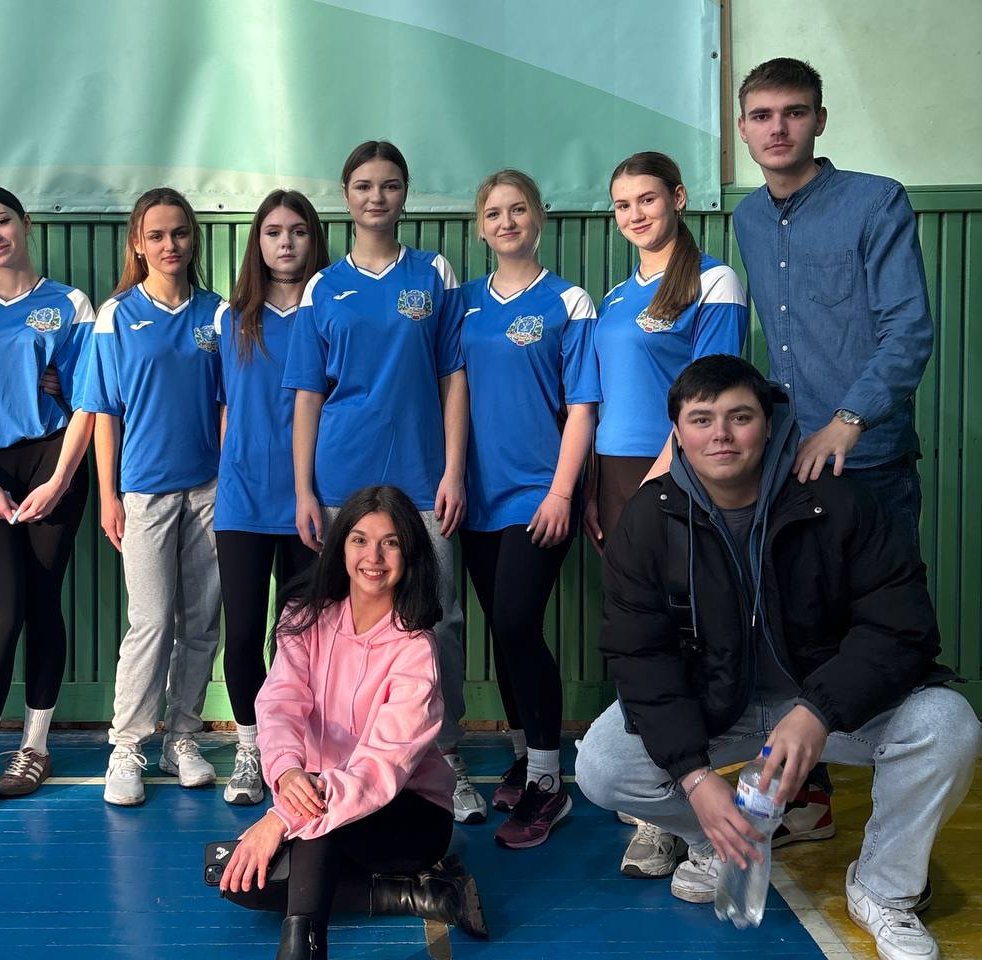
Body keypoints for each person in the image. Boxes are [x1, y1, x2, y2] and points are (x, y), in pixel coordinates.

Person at [575, 355, 978, 960]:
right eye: (702, 419)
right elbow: (641, 657)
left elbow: (902, 626)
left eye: (740, 417)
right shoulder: (647, 519)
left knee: (947, 725)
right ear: (677, 432)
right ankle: (720, 843)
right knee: (603, 764)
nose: (721, 434)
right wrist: (695, 779)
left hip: (825, 708)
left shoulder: (838, 502)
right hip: (719, 707)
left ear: (769, 424)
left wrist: (818, 710)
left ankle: (883, 888)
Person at [282, 140, 485, 823]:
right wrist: (305, 490)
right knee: (338, 623)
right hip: (343, 480)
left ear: (405, 194)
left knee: (439, 619)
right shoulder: (323, 286)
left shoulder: (434, 272)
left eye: (390, 185)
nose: (377, 196)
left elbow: (453, 377)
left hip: (423, 481)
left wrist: (453, 470)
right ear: (347, 196)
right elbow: (308, 394)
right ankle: (348, 760)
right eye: (365, 185)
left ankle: (444, 755)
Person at [219, 485, 488, 957]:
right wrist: (287, 772)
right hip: (319, 792)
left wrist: (282, 817)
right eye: (360, 540)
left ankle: (301, 949)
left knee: (316, 830)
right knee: (239, 879)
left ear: (409, 554)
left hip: (408, 813)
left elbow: (377, 769)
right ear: (341, 546)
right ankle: (418, 895)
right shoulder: (305, 618)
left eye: (391, 543)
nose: (374, 557)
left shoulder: (415, 648)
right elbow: (280, 705)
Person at [582, 151, 752, 878]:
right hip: (614, 478)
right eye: (623, 204)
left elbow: (711, 400)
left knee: (689, 641)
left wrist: (661, 482)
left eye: (647, 199)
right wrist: (593, 485)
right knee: (641, 638)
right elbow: (600, 400)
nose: (635, 214)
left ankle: (684, 811)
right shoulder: (617, 297)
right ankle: (656, 800)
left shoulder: (714, 281)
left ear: (679, 198)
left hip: (676, 478)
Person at [733, 57, 934, 549]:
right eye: (761, 116)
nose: (777, 128)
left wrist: (849, 420)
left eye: (795, 112)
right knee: (798, 598)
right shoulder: (748, 217)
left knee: (887, 598)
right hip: (786, 458)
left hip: (869, 458)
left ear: (820, 120)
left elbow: (908, 331)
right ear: (743, 129)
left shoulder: (876, 202)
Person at [457, 170, 599, 848]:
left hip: (538, 493)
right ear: (480, 227)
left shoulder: (569, 301)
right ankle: (523, 753)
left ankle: (548, 779)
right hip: (475, 497)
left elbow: (583, 407)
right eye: (494, 213)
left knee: (517, 622)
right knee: (500, 628)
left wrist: (563, 493)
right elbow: (450, 392)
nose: (506, 221)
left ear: (539, 217)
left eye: (518, 209)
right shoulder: (463, 304)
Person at [0, 187, 95, 806]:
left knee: (43, 602)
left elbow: (88, 400)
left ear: (25, 223)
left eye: (2, 221)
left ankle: (34, 748)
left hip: (54, 459)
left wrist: (59, 480)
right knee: (4, 610)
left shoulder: (69, 303)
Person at [73, 187, 224, 806]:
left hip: (209, 490)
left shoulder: (217, 312)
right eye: (156, 235)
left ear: (193, 239)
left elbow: (227, 404)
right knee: (152, 621)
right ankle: (128, 745)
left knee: (201, 621)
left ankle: (181, 736)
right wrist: (108, 494)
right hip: (144, 492)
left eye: (179, 233)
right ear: (138, 243)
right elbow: (103, 412)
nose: (169, 245)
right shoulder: (116, 315)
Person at [214, 190, 329, 805]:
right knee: (242, 633)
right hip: (242, 502)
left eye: (298, 231)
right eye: (273, 232)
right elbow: (219, 406)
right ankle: (250, 748)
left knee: (303, 636)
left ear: (315, 239)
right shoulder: (230, 318)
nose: (286, 242)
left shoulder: (329, 309)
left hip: (312, 501)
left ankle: (301, 751)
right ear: (256, 242)